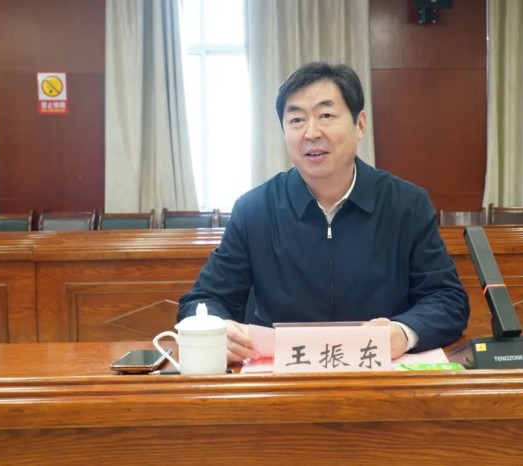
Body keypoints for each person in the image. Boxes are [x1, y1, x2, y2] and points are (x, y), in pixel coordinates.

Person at [178, 61, 469, 363]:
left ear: (360, 124)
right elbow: (202, 301)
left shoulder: (406, 204)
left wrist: (405, 331)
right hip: (282, 379)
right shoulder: (255, 211)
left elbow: (447, 299)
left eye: (326, 115)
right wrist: (217, 329)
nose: (311, 133)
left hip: (380, 374)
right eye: (296, 120)